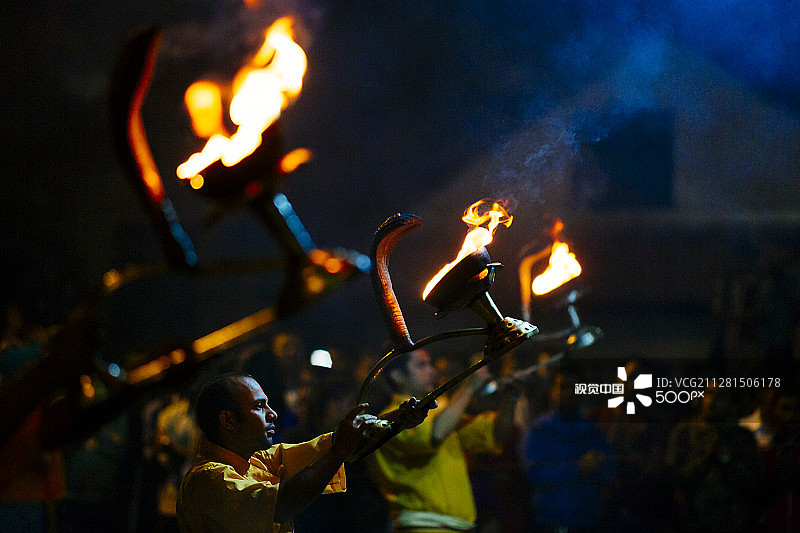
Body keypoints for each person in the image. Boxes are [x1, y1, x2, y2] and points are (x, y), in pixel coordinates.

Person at [176, 372, 429, 533]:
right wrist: (340, 450)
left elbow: (338, 444)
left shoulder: (258, 461)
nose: (273, 414)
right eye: (259, 406)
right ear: (228, 420)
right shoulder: (208, 479)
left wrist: (397, 421)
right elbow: (282, 504)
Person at [371, 348, 523, 532]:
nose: (432, 370)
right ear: (397, 376)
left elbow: (495, 435)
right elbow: (434, 434)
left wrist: (511, 396)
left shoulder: (442, 412)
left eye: (430, 364)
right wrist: (469, 387)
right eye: (421, 365)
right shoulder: (389, 420)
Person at [519, 364, 616, 532]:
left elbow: (610, 471)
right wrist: (579, 468)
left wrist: (597, 467)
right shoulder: (540, 430)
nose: (568, 393)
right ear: (552, 392)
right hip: (550, 524)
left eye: (574, 388)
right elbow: (534, 474)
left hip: (589, 524)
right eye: (563, 387)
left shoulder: (592, 431)